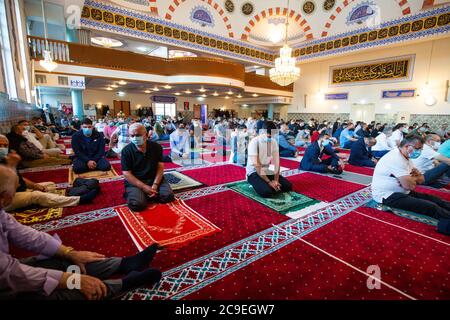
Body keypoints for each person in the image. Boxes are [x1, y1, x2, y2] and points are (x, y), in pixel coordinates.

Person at [0, 164, 163, 300]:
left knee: (58, 260)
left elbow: (26, 235)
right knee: (60, 292)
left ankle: (123, 264)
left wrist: (68, 252)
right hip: (5, 284)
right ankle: (121, 285)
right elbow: (10, 275)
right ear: (3, 198)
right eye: (13, 195)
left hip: (9, 269)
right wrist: (73, 280)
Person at [0, 134, 99, 211]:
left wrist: (35, 185)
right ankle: (78, 199)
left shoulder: (5, 159)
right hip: (6, 199)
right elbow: (10, 191)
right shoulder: (9, 163)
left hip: (19, 190)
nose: (3, 148)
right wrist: (11, 167)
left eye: (5, 145)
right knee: (37, 196)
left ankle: (69, 192)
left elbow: (20, 180)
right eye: (0, 145)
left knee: (51, 185)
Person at [371, 135, 450, 225]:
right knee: (431, 206)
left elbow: (422, 180)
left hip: (402, 191)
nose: (419, 152)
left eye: (421, 149)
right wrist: (413, 178)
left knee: (434, 199)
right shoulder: (395, 159)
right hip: (388, 196)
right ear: (407, 147)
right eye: (418, 149)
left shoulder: (406, 157)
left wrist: (411, 178)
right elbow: (410, 186)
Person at [121, 123, 175, 211]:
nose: (135, 138)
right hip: (136, 182)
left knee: (168, 196)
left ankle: (147, 194)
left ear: (146, 135)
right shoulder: (126, 151)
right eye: (132, 135)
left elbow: (160, 167)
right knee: (138, 205)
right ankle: (139, 194)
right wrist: (143, 187)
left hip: (154, 179)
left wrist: (155, 184)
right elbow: (126, 174)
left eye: (138, 135)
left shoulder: (156, 147)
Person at [245, 121, 292, 198]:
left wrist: (276, 180)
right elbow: (257, 165)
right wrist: (269, 182)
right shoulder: (254, 142)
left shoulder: (273, 142)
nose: (269, 138)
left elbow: (277, 162)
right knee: (266, 192)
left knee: (288, 186)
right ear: (262, 132)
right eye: (267, 136)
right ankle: (256, 183)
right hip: (254, 172)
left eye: (271, 136)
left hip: (266, 171)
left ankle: (268, 184)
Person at [6, 125, 71, 168]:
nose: (25, 130)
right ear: (17, 131)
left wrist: (41, 153)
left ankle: (70, 157)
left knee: (54, 156)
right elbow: (28, 153)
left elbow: (33, 147)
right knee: (52, 160)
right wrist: (41, 155)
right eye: (23, 129)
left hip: (36, 155)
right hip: (29, 161)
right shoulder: (16, 141)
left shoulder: (22, 138)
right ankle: (70, 161)